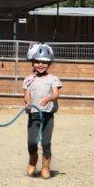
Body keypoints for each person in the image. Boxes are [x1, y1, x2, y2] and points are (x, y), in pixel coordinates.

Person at [22, 43, 62, 179]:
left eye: (44, 62)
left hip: (47, 116)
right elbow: (27, 95)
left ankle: (46, 166)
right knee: (32, 142)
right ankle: (33, 160)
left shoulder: (53, 79)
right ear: (32, 63)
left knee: (46, 142)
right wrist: (27, 102)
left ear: (49, 63)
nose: (40, 64)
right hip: (33, 116)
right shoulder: (29, 79)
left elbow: (56, 94)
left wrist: (49, 98)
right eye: (37, 61)